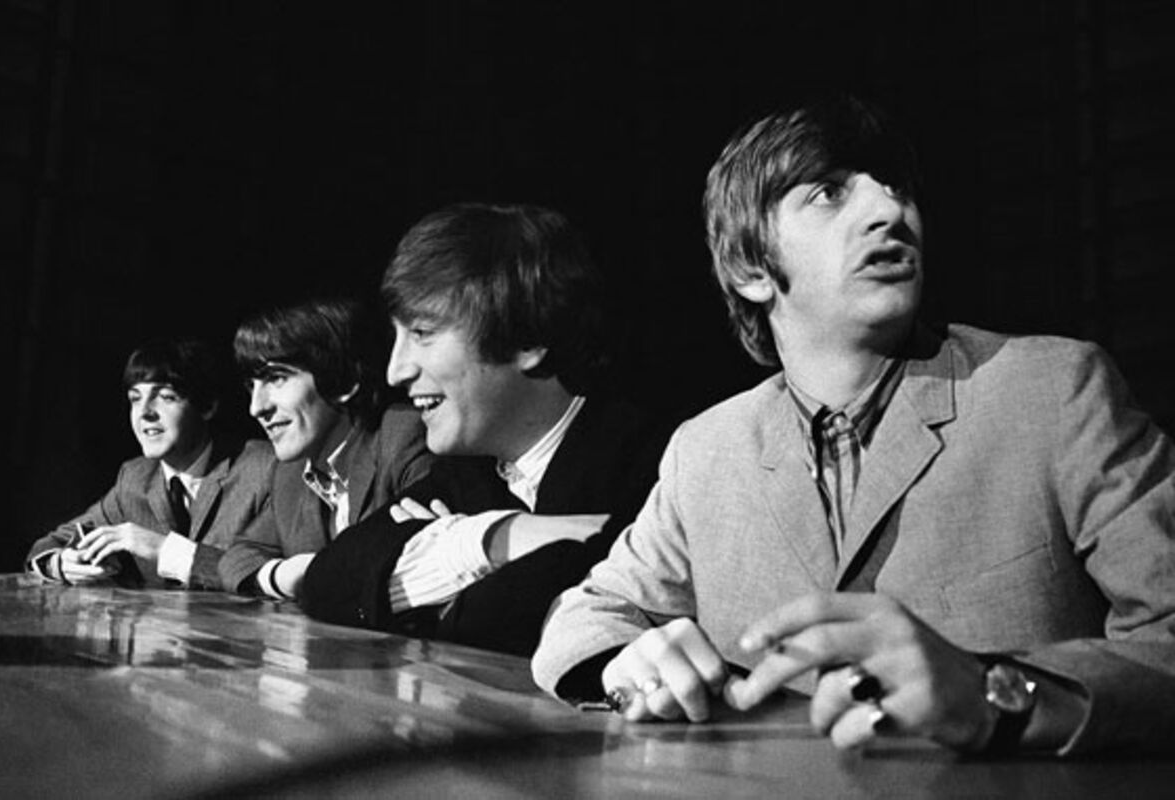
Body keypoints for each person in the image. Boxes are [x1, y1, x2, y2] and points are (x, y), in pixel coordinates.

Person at [532, 95, 1175, 756]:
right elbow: (586, 614)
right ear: (751, 271)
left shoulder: (1051, 389)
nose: (890, 211)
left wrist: (998, 693)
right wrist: (626, 662)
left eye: (896, 188)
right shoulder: (707, 450)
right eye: (829, 193)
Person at [299, 203, 666, 656]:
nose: (395, 371)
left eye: (422, 333)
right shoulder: (466, 471)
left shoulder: (653, 461)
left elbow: (536, 619)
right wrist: (482, 543)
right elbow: (326, 581)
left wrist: (441, 576)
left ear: (527, 339)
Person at [217, 297, 434, 599]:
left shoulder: (402, 437)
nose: (256, 407)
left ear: (343, 382)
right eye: (252, 386)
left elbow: (425, 564)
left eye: (276, 379)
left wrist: (318, 574)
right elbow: (237, 556)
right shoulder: (289, 472)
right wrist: (280, 576)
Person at [25, 337, 276, 589]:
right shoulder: (134, 478)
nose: (145, 412)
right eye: (135, 399)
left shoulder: (264, 468)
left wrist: (164, 550)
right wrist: (59, 564)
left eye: (165, 397)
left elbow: (269, 576)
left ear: (207, 407)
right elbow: (51, 544)